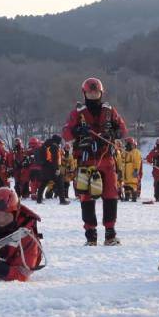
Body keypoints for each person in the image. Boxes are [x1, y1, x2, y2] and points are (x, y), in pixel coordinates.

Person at [62, 77, 129, 245]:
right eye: (90, 93)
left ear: (101, 93)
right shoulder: (77, 113)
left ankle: (110, 234)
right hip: (86, 161)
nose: (93, 95)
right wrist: (78, 131)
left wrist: (113, 133)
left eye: (96, 92)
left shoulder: (109, 110)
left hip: (107, 159)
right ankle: (90, 235)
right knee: (86, 197)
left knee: (111, 196)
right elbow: (66, 132)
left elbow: (123, 129)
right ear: (85, 93)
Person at [120, 137, 143, 202]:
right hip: (125, 171)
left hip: (131, 170)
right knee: (126, 185)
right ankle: (127, 197)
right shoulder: (124, 152)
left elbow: (137, 162)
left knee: (133, 185)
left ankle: (134, 197)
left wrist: (136, 170)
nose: (126, 145)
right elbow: (121, 160)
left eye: (128, 144)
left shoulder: (136, 152)